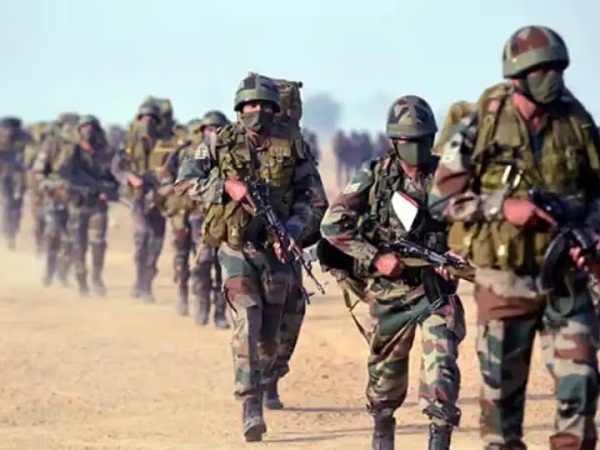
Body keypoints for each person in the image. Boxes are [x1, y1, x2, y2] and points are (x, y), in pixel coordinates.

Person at [428, 25, 600, 449]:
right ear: (518, 76)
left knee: (580, 388)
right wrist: (502, 207)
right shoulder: (483, 122)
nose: (553, 79)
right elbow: (441, 199)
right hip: (504, 282)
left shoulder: (576, 120)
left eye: (558, 70)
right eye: (542, 70)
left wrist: (593, 233)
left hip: (566, 280)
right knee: (501, 411)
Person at [174, 73, 314, 442]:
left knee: (275, 331)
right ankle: (250, 402)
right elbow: (184, 182)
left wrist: (293, 231)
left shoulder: (293, 145)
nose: (258, 111)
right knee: (247, 319)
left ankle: (268, 379)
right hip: (236, 249)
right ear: (240, 108)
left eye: (264, 105)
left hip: (277, 252)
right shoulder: (219, 141)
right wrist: (225, 187)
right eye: (251, 105)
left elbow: (313, 198)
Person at [320, 95, 464, 450]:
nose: (415, 147)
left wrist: (458, 254)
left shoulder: (446, 176)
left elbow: (470, 224)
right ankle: (383, 431)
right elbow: (332, 225)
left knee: (442, 370)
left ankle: (439, 437)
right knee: (384, 386)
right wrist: (375, 257)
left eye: (422, 140)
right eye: (407, 140)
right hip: (389, 293)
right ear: (394, 141)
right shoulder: (374, 174)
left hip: (434, 290)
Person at [57, 115, 118, 297]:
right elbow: (63, 174)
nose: (88, 131)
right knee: (78, 245)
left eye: (92, 128)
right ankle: (81, 280)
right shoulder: (72, 152)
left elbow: (115, 177)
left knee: (98, 243)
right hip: (78, 204)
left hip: (98, 205)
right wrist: (83, 188)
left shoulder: (107, 153)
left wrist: (108, 191)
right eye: (84, 127)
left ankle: (97, 278)